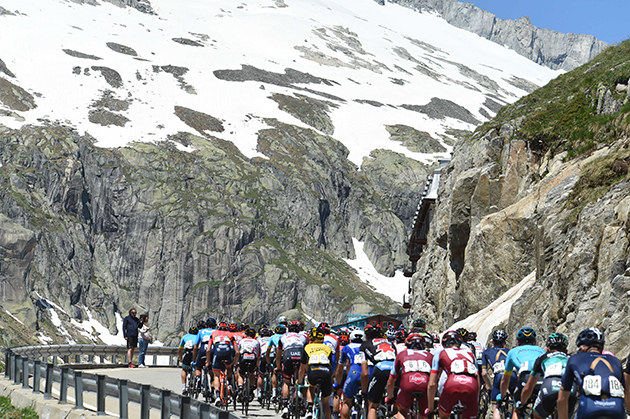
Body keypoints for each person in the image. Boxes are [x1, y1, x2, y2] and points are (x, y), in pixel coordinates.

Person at [558, 328, 626, 419]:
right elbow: (626, 391)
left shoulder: (574, 358)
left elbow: (562, 399)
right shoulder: (616, 361)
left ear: (582, 348)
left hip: (589, 407)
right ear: (602, 348)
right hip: (617, 408)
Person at [520, 333, 576, 419]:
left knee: (536, 416)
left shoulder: (543, 357)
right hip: (570, 390)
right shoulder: (572, 358)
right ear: (566, 350)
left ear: (548, 349)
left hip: (550, 386)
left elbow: (529, 387)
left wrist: (522, 403)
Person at [427, 330, 480, 419]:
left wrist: (430, 408)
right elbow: (478, 383)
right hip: (471, 384)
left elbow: (432, 384)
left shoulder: (440, 353)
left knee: (443, 415)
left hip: (452, 382)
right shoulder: (470, 353)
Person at [499, 327, 545, 419]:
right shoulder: (541, 350)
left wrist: (502, 395)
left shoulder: (512, 352)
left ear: (517, 342)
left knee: (517, 409)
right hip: (543, 381)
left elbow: (505, 379)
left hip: (525, 380)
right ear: (535, 342)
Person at [386, 332, 434, 419]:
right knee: (426, 414)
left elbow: (391, 380)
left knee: (402, 411)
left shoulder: (402, 354)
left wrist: (390, 397)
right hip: (424, 384)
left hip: (407, 384)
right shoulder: (430, 355)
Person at [360, 322, 397, 419]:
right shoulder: (390, 343)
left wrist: (364, 392)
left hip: (380, 368)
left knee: (372, 407)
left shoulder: (364, 345)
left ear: (367, 334)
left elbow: (365, 373)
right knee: (397, 406)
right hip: (395, 370)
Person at [300, 327, 334, 419]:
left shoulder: (307, 347)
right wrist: (332, 380)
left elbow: (302, 368)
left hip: (313, 370)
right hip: (326, 371)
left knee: (311, 388)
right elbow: (331, 366)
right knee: (325, 402)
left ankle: (310, 410)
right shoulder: (327, 348)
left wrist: (300, 381)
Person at [481, 329, 516, 419]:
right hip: (512, 375)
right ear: (505, 343)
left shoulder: (486, 352)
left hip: (499, 375)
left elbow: (484, 374)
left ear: (492, 341)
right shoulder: (510, 351)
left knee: (496, 408)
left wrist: (492, 388)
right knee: (516, 403)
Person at [277, 321, 308, 418]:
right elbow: (307, 352)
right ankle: (303, 403)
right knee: (302, 379)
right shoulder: (303, 337)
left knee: (286, 382)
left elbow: (278, 356)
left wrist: (278, 367)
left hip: (288, 355)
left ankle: (285, 406)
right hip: (300, 354)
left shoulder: (283, 337)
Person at [207, 321, 238, 406]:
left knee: (216, 375)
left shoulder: (213, 334)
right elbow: (237, 352)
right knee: (228, 368)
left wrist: (208, 361)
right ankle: (229, 383)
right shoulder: (230, 334)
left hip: (218, 351)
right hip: (228, 351)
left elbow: (208, 350)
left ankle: (217, 396)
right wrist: (234, 362)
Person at [336, 329, 365, 419]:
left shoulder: (347, 347)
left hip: (354, 373)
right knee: (370, 403)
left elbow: (342, 368)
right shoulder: (367, 346)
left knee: (346, 402)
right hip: (368, 373)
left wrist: (338, 382)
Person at [235, 327, 261, 402]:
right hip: (253, 358)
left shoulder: (242, 341)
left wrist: (236, 362)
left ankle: (240, 388)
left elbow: (238, 352)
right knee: (252, 374)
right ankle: (250, 389)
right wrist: (257, 365)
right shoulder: (256, 342)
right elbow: (258, 356)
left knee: (240, 374)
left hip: (244, 357)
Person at [179, 325, 200, 394]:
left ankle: (184, 387)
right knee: (197, 368)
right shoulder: (198, 336)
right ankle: (197, 379)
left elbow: (180, 349)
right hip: (196, 353)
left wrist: (181, 359)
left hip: (187, 353)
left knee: (184, 369)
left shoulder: (185, 336)